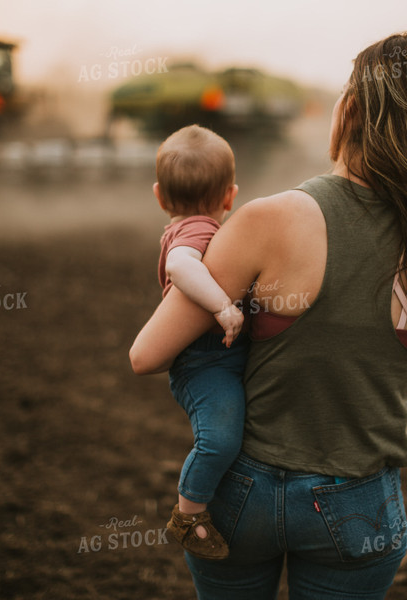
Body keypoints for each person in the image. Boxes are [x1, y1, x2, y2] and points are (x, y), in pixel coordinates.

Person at [130, 31, 407, 599]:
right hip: (360, 505)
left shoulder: (270, 218)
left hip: (244, 494)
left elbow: (146, 354)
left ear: (353, 112)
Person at [150, 124, 246, 560]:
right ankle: (188, 514)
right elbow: (180, 266)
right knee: (219, 438)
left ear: (159, 196)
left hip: (215, 358)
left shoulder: (189, 225)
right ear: (230, 196)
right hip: (203, 363)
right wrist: (223, 307)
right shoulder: (199, 230)